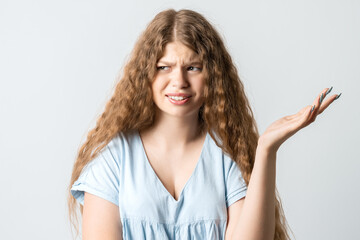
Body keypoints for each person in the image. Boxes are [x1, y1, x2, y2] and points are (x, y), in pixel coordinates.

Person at [67, 8, 341, 240]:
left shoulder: (228, 154)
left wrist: (266, 149)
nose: (179, 81)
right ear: (145, 75)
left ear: (214, 76)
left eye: (193, 68)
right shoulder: (112, 160)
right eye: (164, 67)